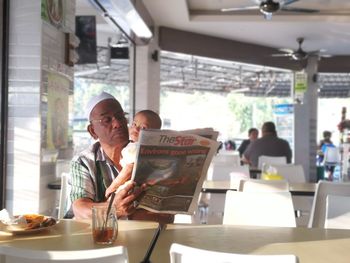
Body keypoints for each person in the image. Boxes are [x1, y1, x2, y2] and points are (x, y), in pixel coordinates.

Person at [69, 92, 173, 223]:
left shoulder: (148, 155)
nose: (118, 123)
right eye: (107, 120)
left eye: (120, 116)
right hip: (102, 238)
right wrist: (113, 209)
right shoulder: (84, 161)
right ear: (93, 131)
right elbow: (80, 209)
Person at [105, 109, 162, 197]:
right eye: (134, 124)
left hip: (128, 189)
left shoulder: (136, 148)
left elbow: (128, 170)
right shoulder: (148, 149)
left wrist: (111, 188)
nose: (136, 128)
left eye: (143, 128)